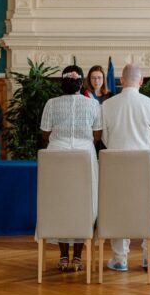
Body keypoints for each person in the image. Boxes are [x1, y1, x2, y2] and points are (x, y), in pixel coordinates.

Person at [40, 65, 103, 272]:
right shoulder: (93, 105)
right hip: (85, 158)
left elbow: (45, 134)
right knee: (84, 205)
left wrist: (62, 143)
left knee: (59, 205)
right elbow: (97, 136)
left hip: (57, 160)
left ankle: (63, 255)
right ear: (81, 83)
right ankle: (77, 256)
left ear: (63, 82)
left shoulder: (51, 104)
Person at [101, 63, 150, 272]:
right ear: (141, 81)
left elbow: (105, 138)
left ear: (121, 80)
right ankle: (149, 257)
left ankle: (120, 258)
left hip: (116, 163)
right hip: (144, 163)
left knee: (119, 208)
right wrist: (145, 151)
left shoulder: (107, 105)